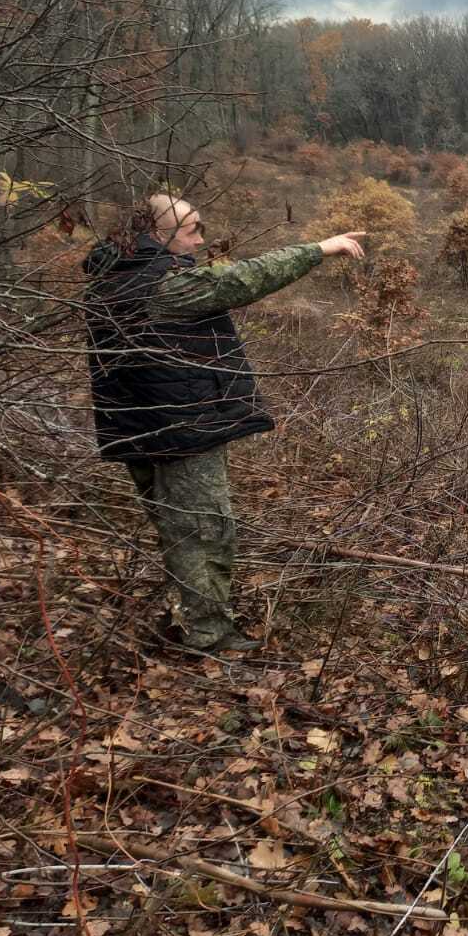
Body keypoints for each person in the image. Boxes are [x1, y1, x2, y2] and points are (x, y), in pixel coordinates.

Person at [84, 193, 366, 652]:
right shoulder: (163, 286)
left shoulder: (110, 277)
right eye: (192, 229)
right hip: (181, 429)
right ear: (157, 234)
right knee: (205, 531)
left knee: (178, 528)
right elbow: (244, 278)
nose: (201, 239)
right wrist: (319, 249)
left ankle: (190, 616)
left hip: (141, 425)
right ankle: (208, 636)